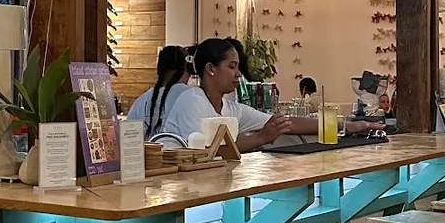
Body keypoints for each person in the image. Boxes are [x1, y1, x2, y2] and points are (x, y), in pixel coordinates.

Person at [163, 38, 380, 153]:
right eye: (231, 67)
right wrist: (260, 138)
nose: (238, 74)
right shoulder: (192, 100)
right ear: (211, 69)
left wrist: (349, 126)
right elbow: (205, 152)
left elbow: (285, 123)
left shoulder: (231, 108)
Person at [127, 45, 191, 140]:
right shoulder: (190, 96)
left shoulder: (141, 100)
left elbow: (128, 138)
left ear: (159, 69)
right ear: (186, 69)